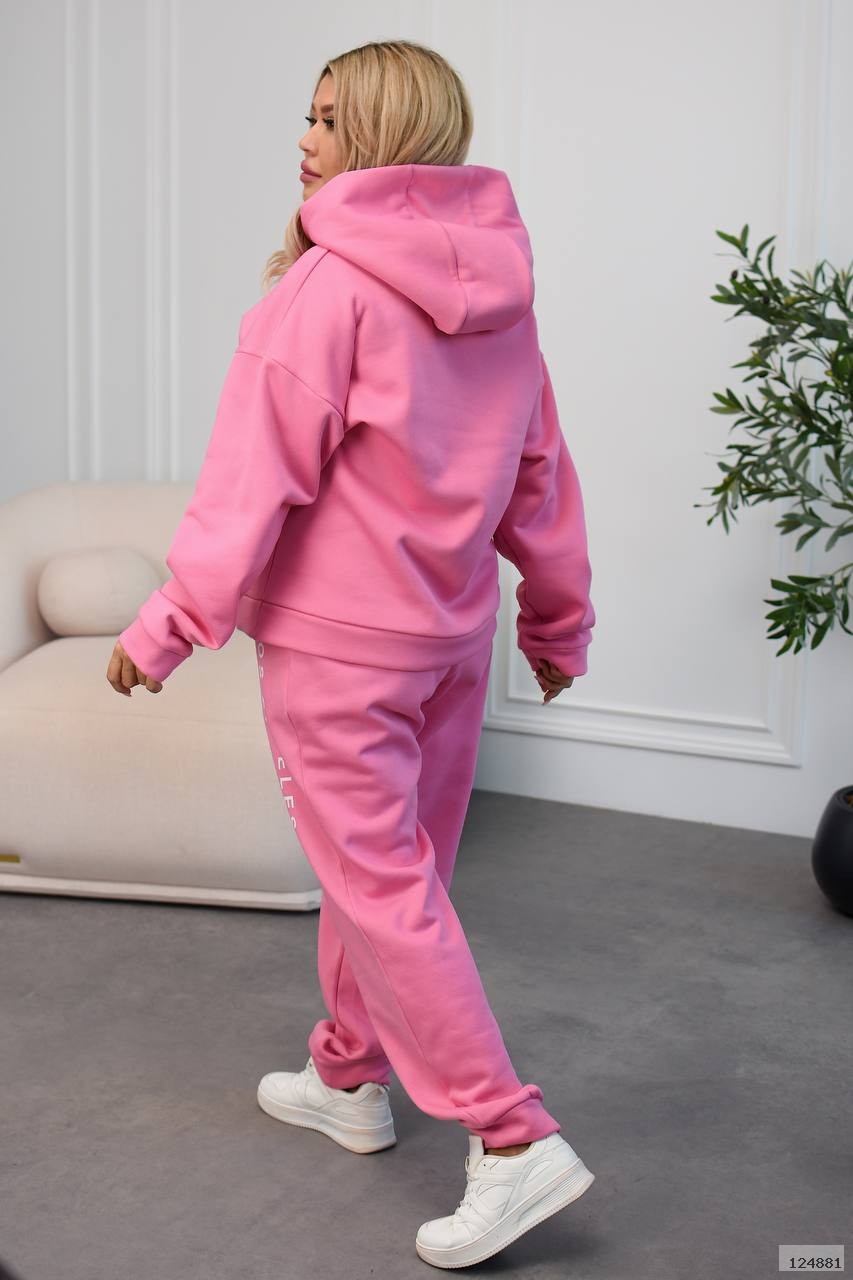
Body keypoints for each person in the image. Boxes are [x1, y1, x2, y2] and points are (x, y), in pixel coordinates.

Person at [106, 37, 596, 1271]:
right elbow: (540, 473)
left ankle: (511, 1135)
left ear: (379, 134)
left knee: (381, 885)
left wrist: (167, 624)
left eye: (328, 118)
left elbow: (249, 481)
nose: (305, 138)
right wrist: (556, 619)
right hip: (451, 641)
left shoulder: (327, 289)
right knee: (385, 872)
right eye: (308, 114)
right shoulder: (505, 292)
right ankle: (348, 1074)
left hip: (340, 655)